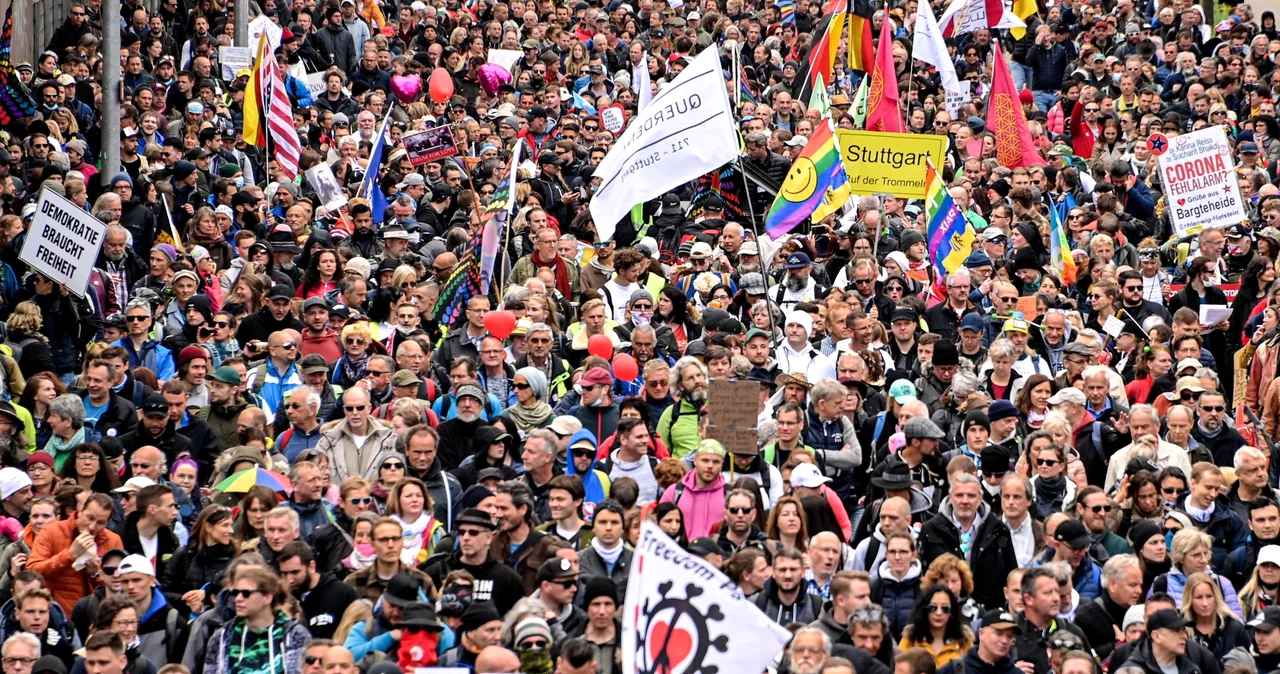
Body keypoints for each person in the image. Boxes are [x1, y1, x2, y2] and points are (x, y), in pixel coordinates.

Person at [204, 565, 312, 674]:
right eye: (236, 593)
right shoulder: (222, 636)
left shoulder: (295, 634)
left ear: (267, 598)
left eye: (246, 593)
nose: (238, 599)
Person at [276, 541, 360, 641]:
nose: (289, 579)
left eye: (295, 572)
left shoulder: (341, 594)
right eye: (284, 573)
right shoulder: (280, 598)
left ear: (311, 566)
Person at [938, 609, 1027, 674]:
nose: (1004, 640)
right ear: (981, 633)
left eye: (1009, 636)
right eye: (998, 633)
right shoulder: (955, 670)